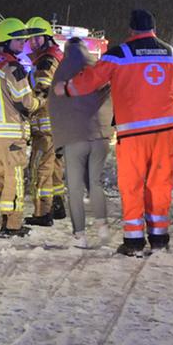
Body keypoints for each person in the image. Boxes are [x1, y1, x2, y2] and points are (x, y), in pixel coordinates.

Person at [56, 9, 173, 257]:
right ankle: (159, 239)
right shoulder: (170, 53)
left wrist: (66, 88)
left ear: (131, 30)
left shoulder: (119, 54)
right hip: (167, 129)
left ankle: (133, 242)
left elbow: (91, 80)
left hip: (134, 130)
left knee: (132, 183)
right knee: (160, 183)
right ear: (153, 29)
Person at [0, 16, 41, 238]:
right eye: (18, 39)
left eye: (24, 39)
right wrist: (41, 101)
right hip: (10, 134)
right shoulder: (12, 66)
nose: (23, 43)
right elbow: (26, 102)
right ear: (5, 40)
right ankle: (11, 225)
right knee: (14, 179)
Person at [48, 33, 113, 249]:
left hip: (74, 138)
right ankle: (103, 225)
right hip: (100, 137)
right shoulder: (98, 70)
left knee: (74, 188)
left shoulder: (61, 73)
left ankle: (80, 236)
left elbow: (54, 106)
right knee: (94, 182)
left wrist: (59, 139)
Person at [22, 17, 68, 227]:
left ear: (45, 37)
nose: (31, 42)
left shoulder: (46, 60)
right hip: (60, 124)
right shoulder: (59, 56)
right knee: (54, 167)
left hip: (45, 126)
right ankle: (57, 206)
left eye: (35, 37)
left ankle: (43, 212)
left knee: (39, 167)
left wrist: (26, 104)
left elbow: (42, 89)